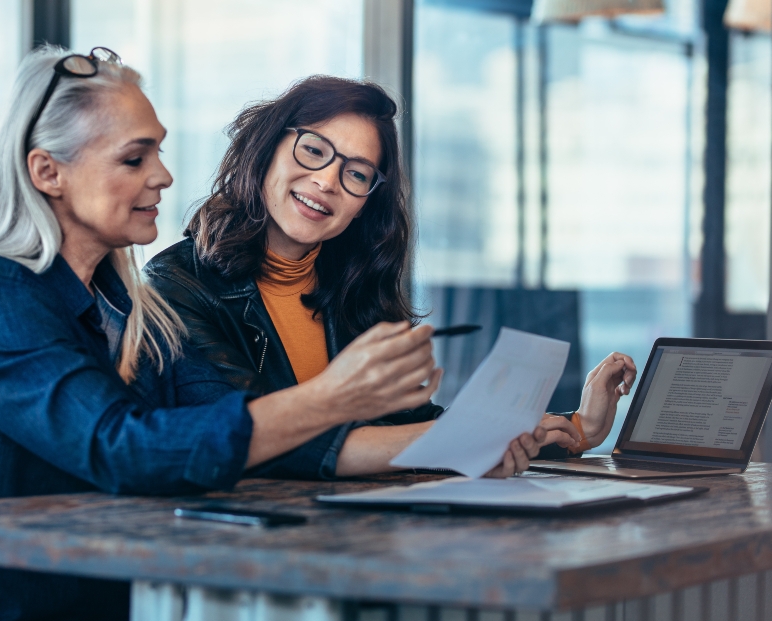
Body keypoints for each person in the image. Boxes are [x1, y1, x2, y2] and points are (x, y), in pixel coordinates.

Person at [0, 48, 552, 621]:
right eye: (134, 157)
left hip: (130, 607)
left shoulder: (127, 304)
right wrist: (335, 396)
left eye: (158, 150)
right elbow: (123, 450)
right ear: (47, 172)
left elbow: (250, 430)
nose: (164, 176)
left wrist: (466, 444)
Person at [145, 76, 637, 475]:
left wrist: (577, 427)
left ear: (365, 205)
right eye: (313, 150)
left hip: (355, 538)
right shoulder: (175, 286)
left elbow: (409, 426)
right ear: (266, 149)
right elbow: (254, 439)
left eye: (356, 174)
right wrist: (464, 442)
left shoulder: (351, 288)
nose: (327, 181)